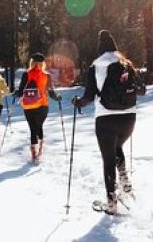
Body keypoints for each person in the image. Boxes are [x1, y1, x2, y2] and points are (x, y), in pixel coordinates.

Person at [72, 30, 145, 215]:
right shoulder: (126, 63)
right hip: (129, 119)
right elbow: (142, 90)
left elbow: (89, 96)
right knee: (117, 146)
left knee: (108, 158)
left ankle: (112, 201)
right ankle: (125, 182)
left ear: (100, 48)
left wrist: (78, 102)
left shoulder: (96, 65)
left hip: (106, 118)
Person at [14, 52, 61, 161]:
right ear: (42, 63)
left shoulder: (26, 74)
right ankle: (39, 148)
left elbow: (21, 91)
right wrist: (57, 98)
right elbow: (51, 93)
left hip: (28, 106)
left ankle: (34, 152)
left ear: (32, 62)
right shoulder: (46, 75)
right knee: (38, 126)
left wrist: (17, 93)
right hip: (43, 106)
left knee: (32, 128)